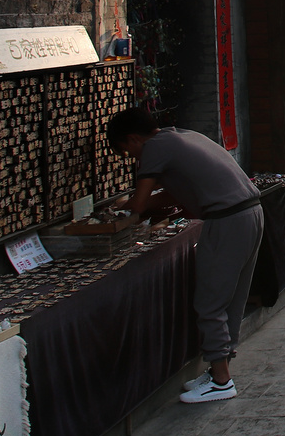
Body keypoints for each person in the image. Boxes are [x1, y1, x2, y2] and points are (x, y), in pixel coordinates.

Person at [107, 108, 264, 404]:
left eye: (127, 152)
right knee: (230, 299)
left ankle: (221, 381)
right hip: (250, 211)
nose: (133, 159)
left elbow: (139, 205)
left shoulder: (154, 149)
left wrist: (123, 206)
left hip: (227, 220)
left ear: (133, 138)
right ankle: (220, 368)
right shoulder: (181, 136)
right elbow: (173, 193)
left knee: (210, 302)